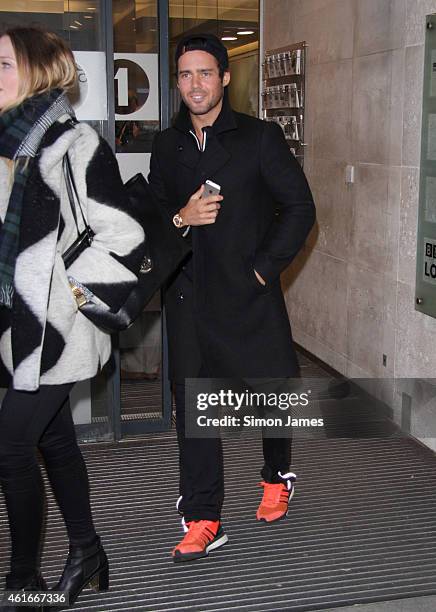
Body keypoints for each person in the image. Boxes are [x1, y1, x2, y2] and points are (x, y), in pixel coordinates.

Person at [148, 33, 316, 562]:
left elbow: (300, 208)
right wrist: (181, 218)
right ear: (176, 83)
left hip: (247, 295)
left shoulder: (260, 138)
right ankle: (203, 517)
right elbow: (152, 220)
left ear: (224, 77)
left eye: (204, 73)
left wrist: (264, 271)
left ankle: (275, 478)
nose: (194, 84)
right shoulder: (165, 145)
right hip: (189, 300)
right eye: (184, 75)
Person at [0, 27, 145, 609]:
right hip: (21, 328)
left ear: (37, 70)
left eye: (4, 63)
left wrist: (63, 288)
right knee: (54, 442)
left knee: (10, 450)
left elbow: (123, 234)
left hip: (56, 332)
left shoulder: (72, 143)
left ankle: (22, 581)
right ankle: (87, 550)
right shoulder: (14, 143)